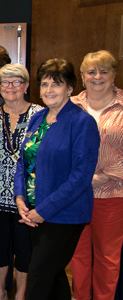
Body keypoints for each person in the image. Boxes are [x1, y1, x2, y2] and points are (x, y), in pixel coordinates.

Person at [14, 58, 100, 300]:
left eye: (56, 84)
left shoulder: (82, 122)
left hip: (64, 215)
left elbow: (81, 177)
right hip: (31, 212)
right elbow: (23, 161)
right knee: (53, 276)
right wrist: (20, 197)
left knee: (38, 278)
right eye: (44, 84)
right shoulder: (38, 118)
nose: (48, 91)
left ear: (70, 88)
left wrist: (44, 210)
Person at [70, 50, 123, 300]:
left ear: (114, 75)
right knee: (78, 256)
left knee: (107, 258)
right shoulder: (69, 106)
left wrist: (105, 176)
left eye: (104, 70)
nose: (97, 76)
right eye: (91, 71)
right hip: (75, 195)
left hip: (112, 194)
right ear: (82, 77)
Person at [0, 64, 43, 300]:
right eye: (5, 82)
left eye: (17, 82)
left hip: (28, 198)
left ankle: (21, 294)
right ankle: (0, 292)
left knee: (24, 251)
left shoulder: (40, 115)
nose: (11, 87)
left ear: (27, 85)